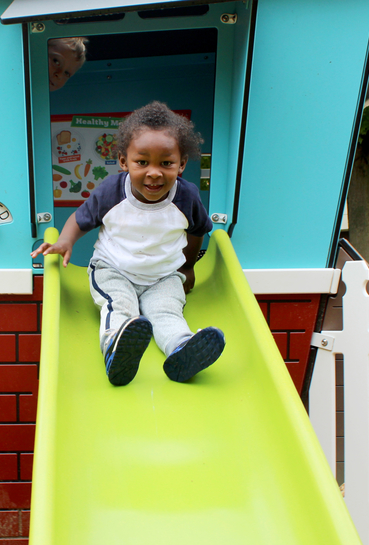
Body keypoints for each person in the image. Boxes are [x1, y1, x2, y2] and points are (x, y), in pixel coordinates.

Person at [31, 101, 225, 385]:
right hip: (113, 269)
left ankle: (182, 350)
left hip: (163, 276)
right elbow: (81, 218)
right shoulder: (112, 191)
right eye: (142, 162)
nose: (154, 172)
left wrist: (188, 266)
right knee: (119, 305)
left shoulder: (187, 197)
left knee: (166, 311)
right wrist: (64, 240)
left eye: (166, 163)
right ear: (124, 161)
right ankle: (115, 347)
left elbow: (197, 231)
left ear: (181, 164)